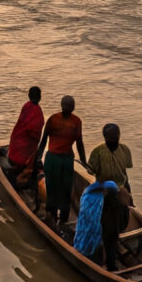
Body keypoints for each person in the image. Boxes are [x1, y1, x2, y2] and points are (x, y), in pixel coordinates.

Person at [36, 96, 88, 226]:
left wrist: (38, 157)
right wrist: (84, 161)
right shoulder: (76, 121)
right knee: (65, 188)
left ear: (61, 105)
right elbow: (79, 143)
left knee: (52, 186)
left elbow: (43, 140)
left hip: (53, 159)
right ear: (73, 107)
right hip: (64, 159)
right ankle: (63, 217)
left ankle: (52, 215)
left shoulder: (53, 119)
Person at [73, 180, 127, 271]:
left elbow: (90, 217)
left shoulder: (99, 201)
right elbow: (124, 220)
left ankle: (98, 262)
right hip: (114, 231)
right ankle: (111, 266)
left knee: (102, 245)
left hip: (104, 230)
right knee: (111, 247)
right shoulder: (119, 203)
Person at [6, 86, 44, 183]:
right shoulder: (34, 109)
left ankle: (19, 172)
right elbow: (31, 128)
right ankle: (21, 172)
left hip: (23, 142)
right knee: (29, 158)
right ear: (40, 97)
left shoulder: (27, 106)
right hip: (26, 142)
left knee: (25, 158)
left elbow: (24, 126)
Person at [86, 123, 134, 196]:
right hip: (105, 189)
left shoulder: (125, 149)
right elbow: (90, 170)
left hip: (120, 187)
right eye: (111, 139)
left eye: (115, 138)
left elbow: (91, 171)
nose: (113, 141)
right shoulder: (97, 152)